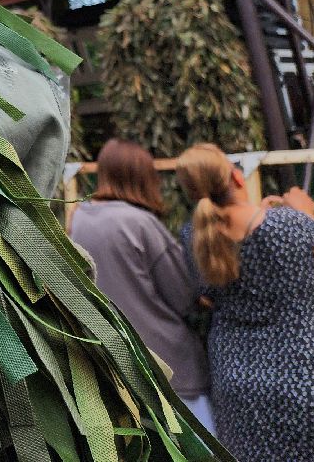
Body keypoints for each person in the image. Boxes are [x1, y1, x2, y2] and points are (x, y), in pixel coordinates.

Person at [176, 143, 314, 460]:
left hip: (236, 387)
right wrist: (306, 215)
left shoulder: (194, 235)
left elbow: (206, 297)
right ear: (236, 178)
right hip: (306, 377)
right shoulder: (292, 225)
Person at [70, 139, 213, 429]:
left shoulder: (78, 219)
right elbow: (184, 296)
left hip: (114, 368)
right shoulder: (140, 223)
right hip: (170, 369)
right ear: (142, 176)